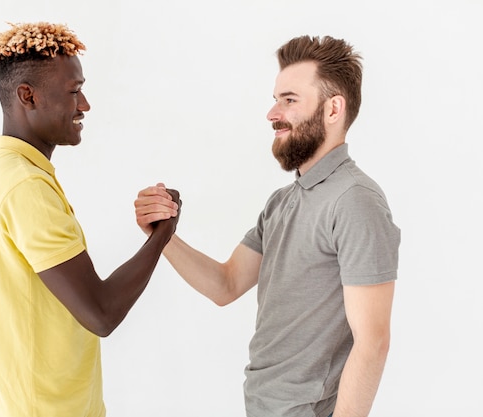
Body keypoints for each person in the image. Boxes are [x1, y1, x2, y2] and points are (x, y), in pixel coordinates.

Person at [135, 35, 400, 417]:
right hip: (262, 406)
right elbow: (226, 285)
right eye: (276, 99)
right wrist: (163, 237)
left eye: (289, 100)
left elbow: (373, 342)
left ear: (333, 109)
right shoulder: (283, 202)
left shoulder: (355, 200)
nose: (272, 113)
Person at [0, 22, 181, 417]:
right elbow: (100, 313)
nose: (84, 105)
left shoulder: (6, 173)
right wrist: (162, 235)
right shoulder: (25, 187)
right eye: (73, 91)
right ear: (27, 96)